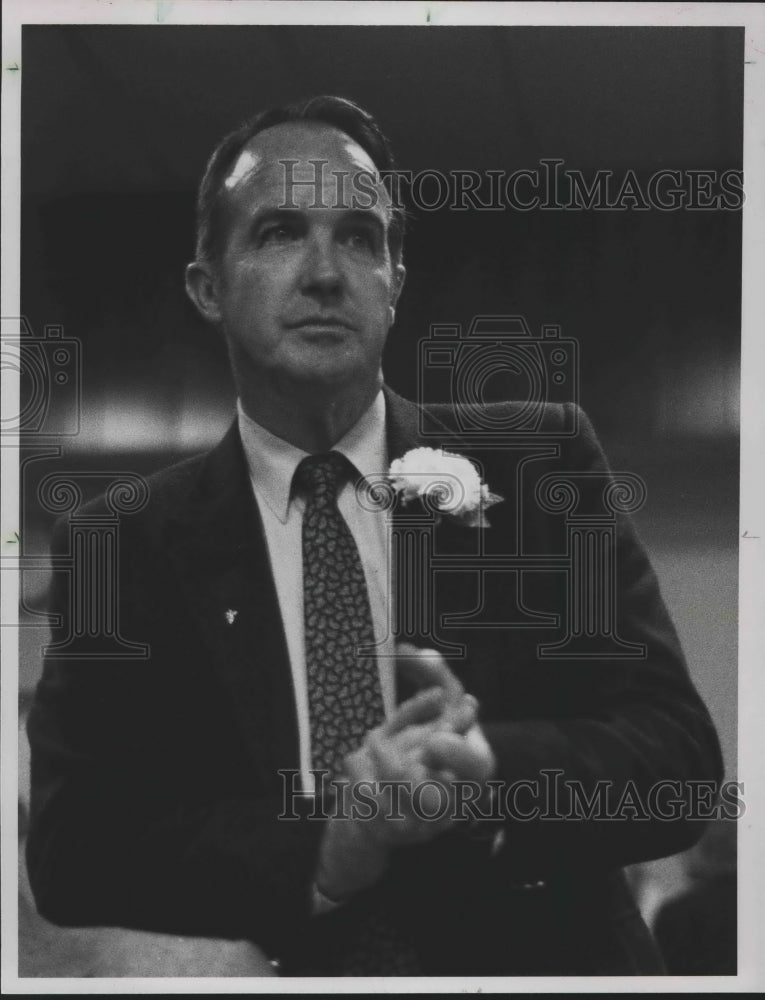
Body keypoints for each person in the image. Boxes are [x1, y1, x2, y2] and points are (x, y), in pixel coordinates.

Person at [26, 95, 723, 977]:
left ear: (396, 281)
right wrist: (328, 846)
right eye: (279, 232)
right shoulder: (119, 547)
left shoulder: (536, 464)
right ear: (207, 287)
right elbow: (74, 849)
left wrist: (489, 775)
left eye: (358, 236)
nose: (324, 272)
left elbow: (678, 764)